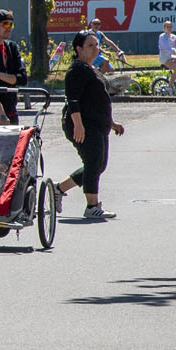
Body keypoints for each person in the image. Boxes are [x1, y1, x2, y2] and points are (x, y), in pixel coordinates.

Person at [55, 31, 125, 219]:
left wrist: (111, 123)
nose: (96, 49)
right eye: (91, 45)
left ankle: (58, 190)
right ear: (78, 49)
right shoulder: (77, 69)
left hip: (98, 125)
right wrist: (78, 125)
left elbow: (96, 101)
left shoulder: (90, 68)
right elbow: (73, 100)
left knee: (98, 165)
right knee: (93, 163)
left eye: (97, 45)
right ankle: (92, 206)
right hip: (84, 126)